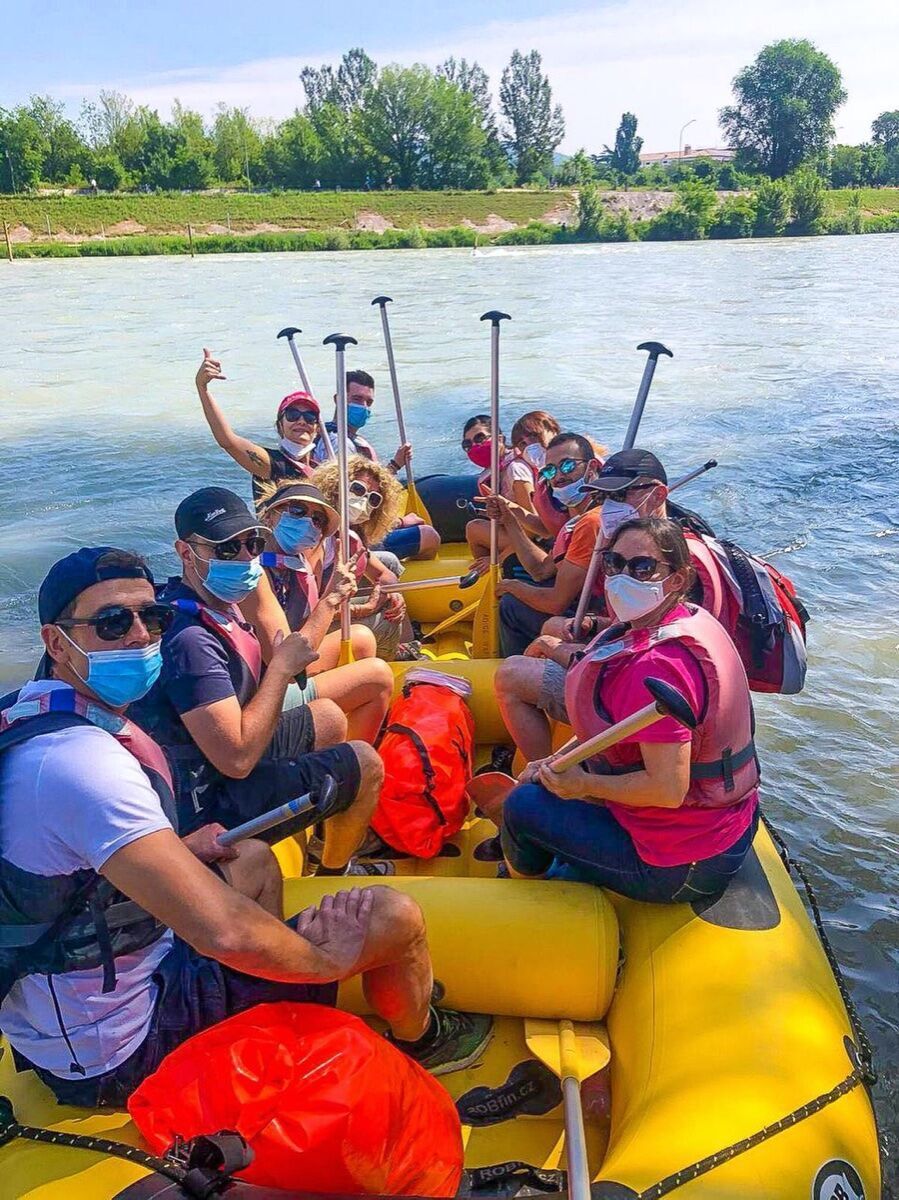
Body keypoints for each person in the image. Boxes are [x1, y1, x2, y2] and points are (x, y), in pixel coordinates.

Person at [0, 548, 492, 1106]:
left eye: (151, 617)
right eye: (113, 622)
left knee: (252, 857)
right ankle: (424, 1038)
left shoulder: (34, 715)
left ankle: (278, 1014)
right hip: (120, 1046)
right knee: (393, 918)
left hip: (87, 985)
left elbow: (63, 860)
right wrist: (324, 961)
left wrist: (184, 847)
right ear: (56, 642)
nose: (139, 635)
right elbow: (225, 933)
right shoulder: (83, 765)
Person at [501, 517, 760, 903]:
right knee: (544, 783)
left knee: (521, 805)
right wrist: (557, 759)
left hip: (678, 862)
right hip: (724, 822)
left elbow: (668, 788)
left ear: (676, 579)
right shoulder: (685, 619)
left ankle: (528, 890)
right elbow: (616, 727)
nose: (622, 577)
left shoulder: (655, 666)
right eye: (614, 564)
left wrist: (586, 785)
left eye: (642, 567)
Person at [129, 487, 386, 876]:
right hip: (206, 796)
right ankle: (334, 873)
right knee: (366, 762)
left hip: (221, 748)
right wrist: (282, 669)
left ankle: (318, 830)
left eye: (252, 543)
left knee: (329, 717)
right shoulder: (190, 641)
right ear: (186, 553)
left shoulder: (222, 600)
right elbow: (236, 759)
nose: (247, 557)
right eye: (228, 548)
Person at [496, 449, 719, 759]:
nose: (610, 507)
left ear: (658, 496)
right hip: (640, 666)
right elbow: (640, 629)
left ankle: (541, 774)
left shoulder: (675, 563)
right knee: (552, 628)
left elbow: (649, 661)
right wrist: (592, 624)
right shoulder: (653, 546)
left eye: (621, 495)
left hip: (654, 696)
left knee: (512, 674)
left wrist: (557, 650)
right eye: (605, 497)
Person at [242, 480, 394, 743]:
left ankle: (350, 732)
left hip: (284, 669)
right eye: (298, 511)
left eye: (318, 520)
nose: (309, 523)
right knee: (377, 675)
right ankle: (352, 757)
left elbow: (304, 621)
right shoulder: (253, 572)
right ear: (270, 514)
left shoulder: (294, 560)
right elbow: (289, 663)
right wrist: (332, 597)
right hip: (264, 690)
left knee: (361, 637)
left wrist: (355, 604)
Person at [492, 432, 605, 656]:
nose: (558, 477)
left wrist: (511, 587)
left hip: (596, 620)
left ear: (591, 467)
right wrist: (509, 520)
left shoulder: (591, 522)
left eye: (567, 465)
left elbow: (556, 603)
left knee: (511, 605)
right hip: (585, 607)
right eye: (550, 470)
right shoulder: (575, 519)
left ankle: (517, 669)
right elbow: (541, 570)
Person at [312, 457, 418, 659]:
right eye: (358, 489)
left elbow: (384, 574)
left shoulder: (352, 536)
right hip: (312, 627)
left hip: (333, 609)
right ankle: (388, 664)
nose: (364, 501)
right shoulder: (317, 537)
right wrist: (363, 609)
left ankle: (407, 648)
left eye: (374, 499)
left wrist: (390, 594)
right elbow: (310, 612)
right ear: (336, 487)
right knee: (388, 622)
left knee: (390, 597)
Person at [194, 348, 320, 510]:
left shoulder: (321, 470)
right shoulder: (271, 464)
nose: (302, 421)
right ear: (280, 425)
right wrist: (202, 388)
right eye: (293, 414)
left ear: (317, 428)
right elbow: (227, 441)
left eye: (310, 416)